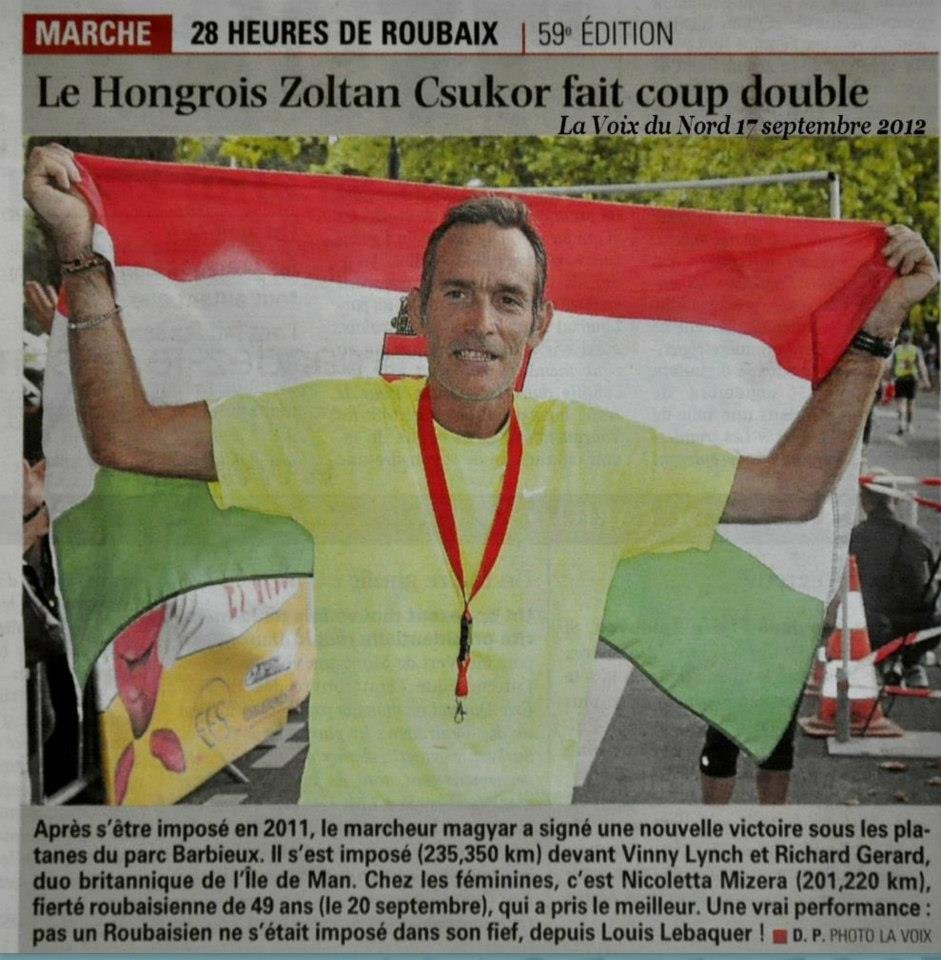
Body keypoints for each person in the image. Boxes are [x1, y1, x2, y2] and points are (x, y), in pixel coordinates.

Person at [24, 143, 939, 803]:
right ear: (417, 309)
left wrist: (876, 331)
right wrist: (80, 256)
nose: (481, 322)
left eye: (507, 299)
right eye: (456, 293)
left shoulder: (596, 453)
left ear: (540, 324)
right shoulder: (331, 427)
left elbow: (789, 487)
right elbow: (127, 437)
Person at [850, 483, 940, 688]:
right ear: (897, 500)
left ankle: (885, 660)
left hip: (874, 627)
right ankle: (911, 662)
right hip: (920, 630)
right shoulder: (919, 536)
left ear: (864, 502)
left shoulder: (855, 536)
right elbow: (930, 583)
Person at [888, 328, 932, 435]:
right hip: (912, 379)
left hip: (900, 379)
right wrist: (926, 380)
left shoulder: (897, 350)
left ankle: (901, 423)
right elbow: (921, 366)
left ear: (901, 339)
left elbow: (891, 366)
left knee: (900, 402)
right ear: (911, 339)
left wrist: (890, 378)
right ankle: (909, 424)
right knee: (911, 403)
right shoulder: (916, 350)